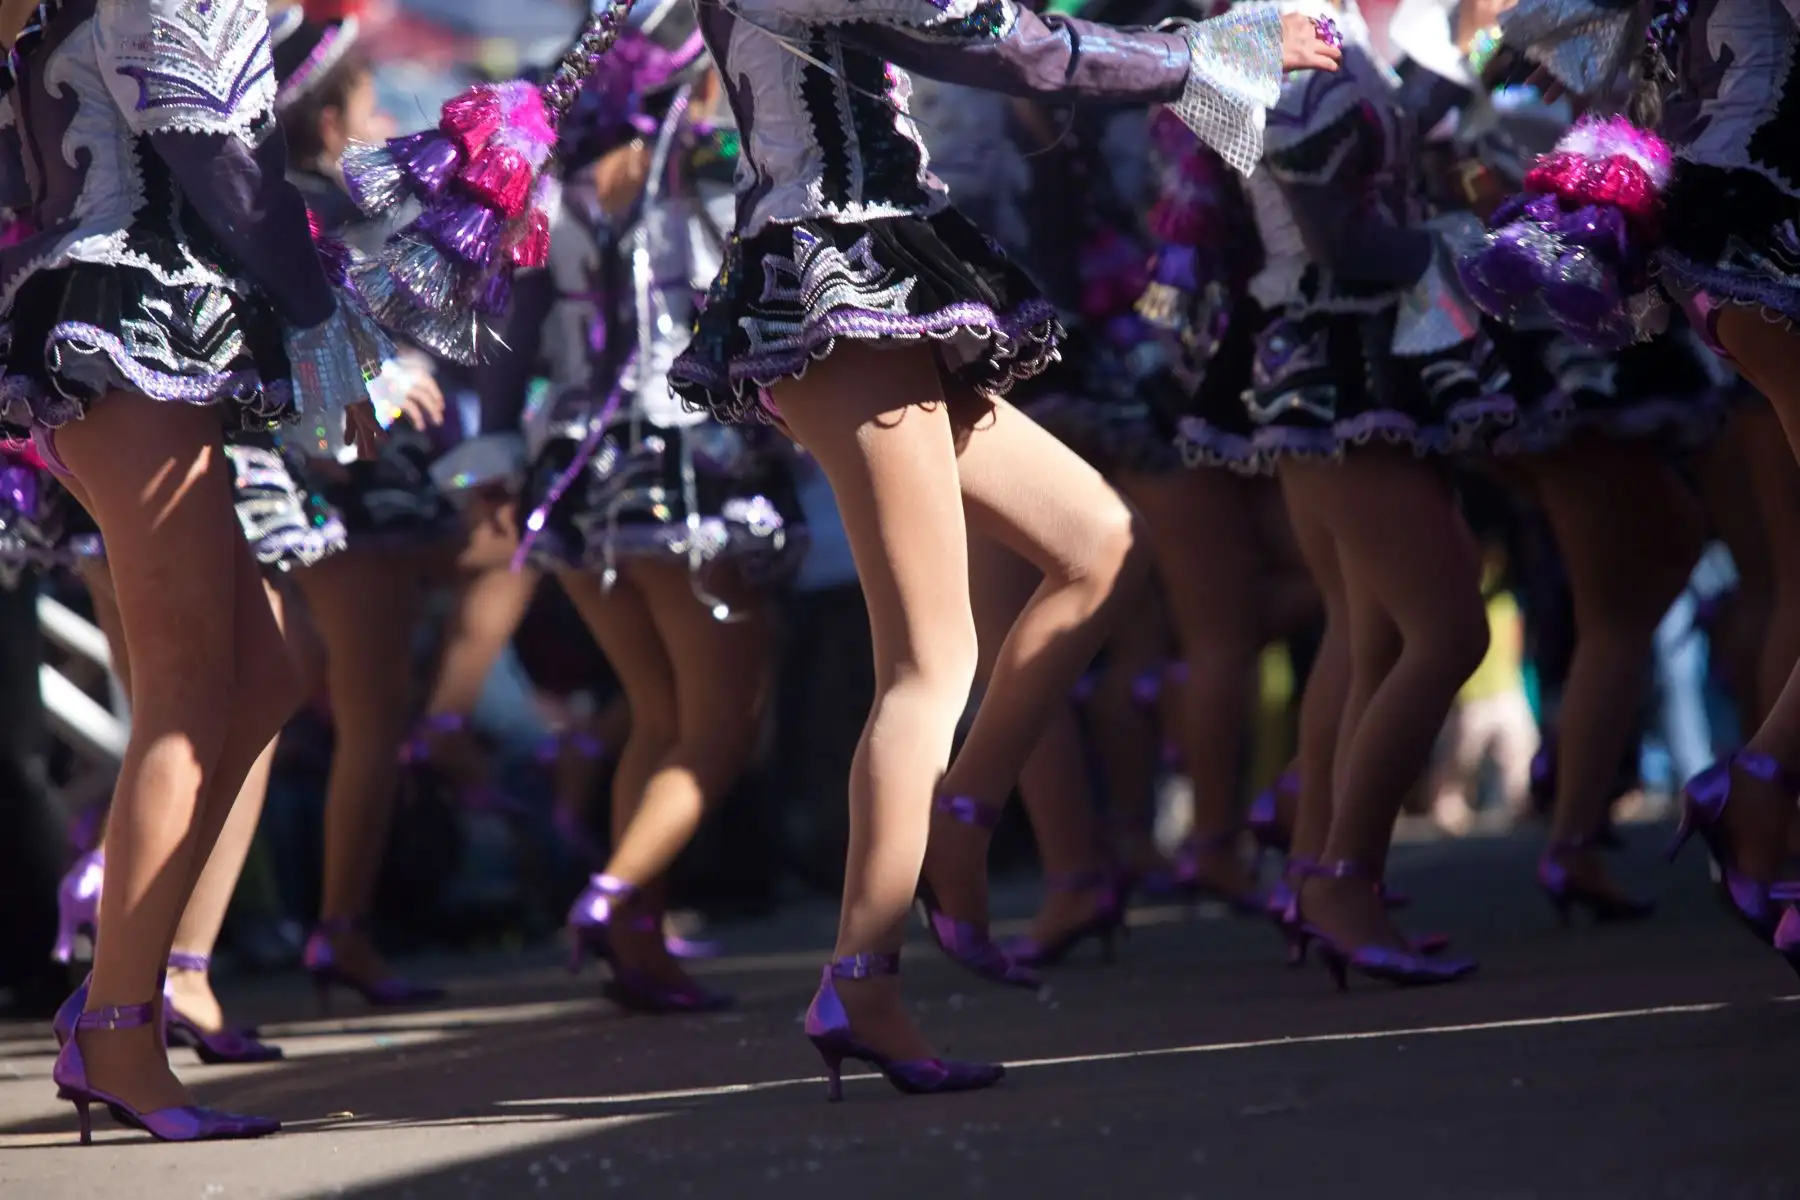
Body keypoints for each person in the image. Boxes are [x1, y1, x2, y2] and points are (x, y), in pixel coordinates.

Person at [667, 0, 1340, 1097]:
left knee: (1095, 544)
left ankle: (963, 819)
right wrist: (1214, 56)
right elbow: (1008, 46)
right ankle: (863, 976)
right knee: (929, 665)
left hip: (882, 277)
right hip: (846, 286)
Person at [0, 0, 387, 1143]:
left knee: (260, 678)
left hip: (114, 320)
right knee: (188, 690)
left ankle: (117, 981)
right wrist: (322, 332)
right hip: (134, 326)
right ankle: (122, 1023)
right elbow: (224, 153)